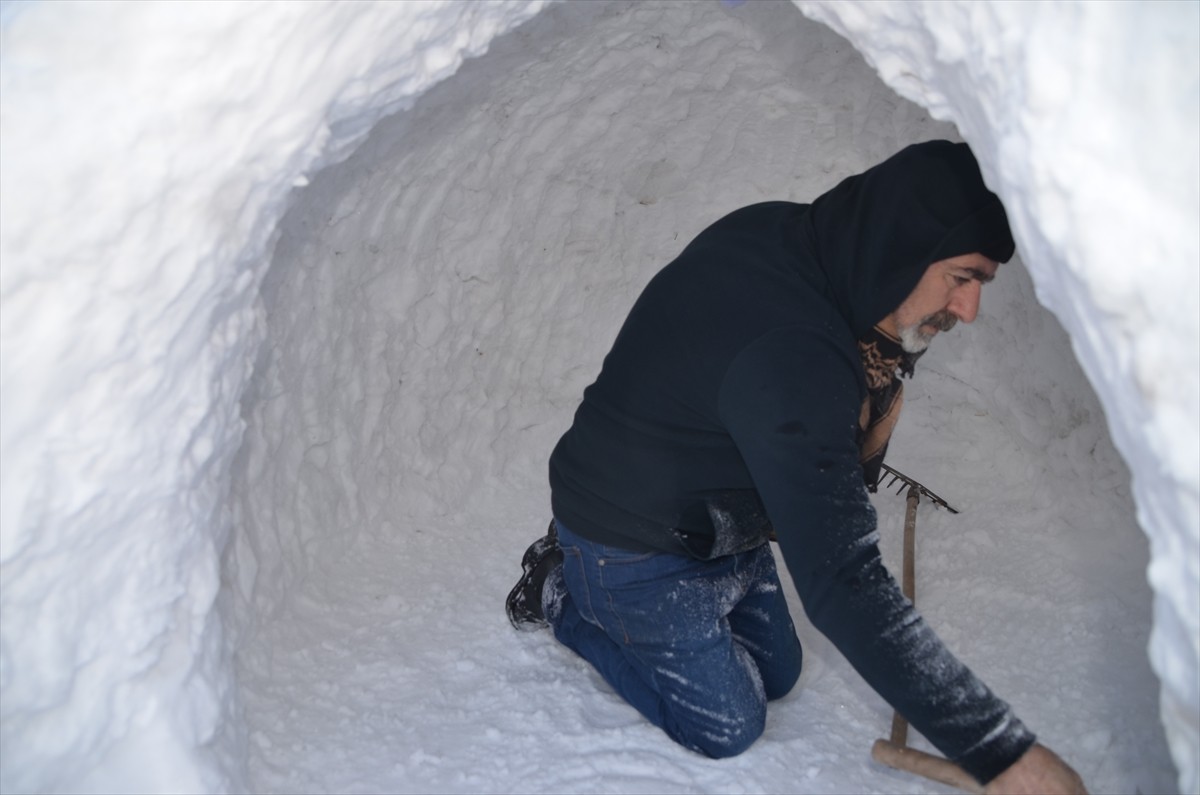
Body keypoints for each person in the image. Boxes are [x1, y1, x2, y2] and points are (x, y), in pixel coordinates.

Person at [505, 140, 1087, 794]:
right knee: (731, 723)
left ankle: (615, 591)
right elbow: (840, 579)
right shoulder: (794, 358)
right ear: (903, 248)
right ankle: (562, 588)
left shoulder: (800, 241)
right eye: (962, 278)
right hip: (628, 535)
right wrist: (1001, 753)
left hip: (717, 515)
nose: (970, 308)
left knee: (780, 672)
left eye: (982, 283)